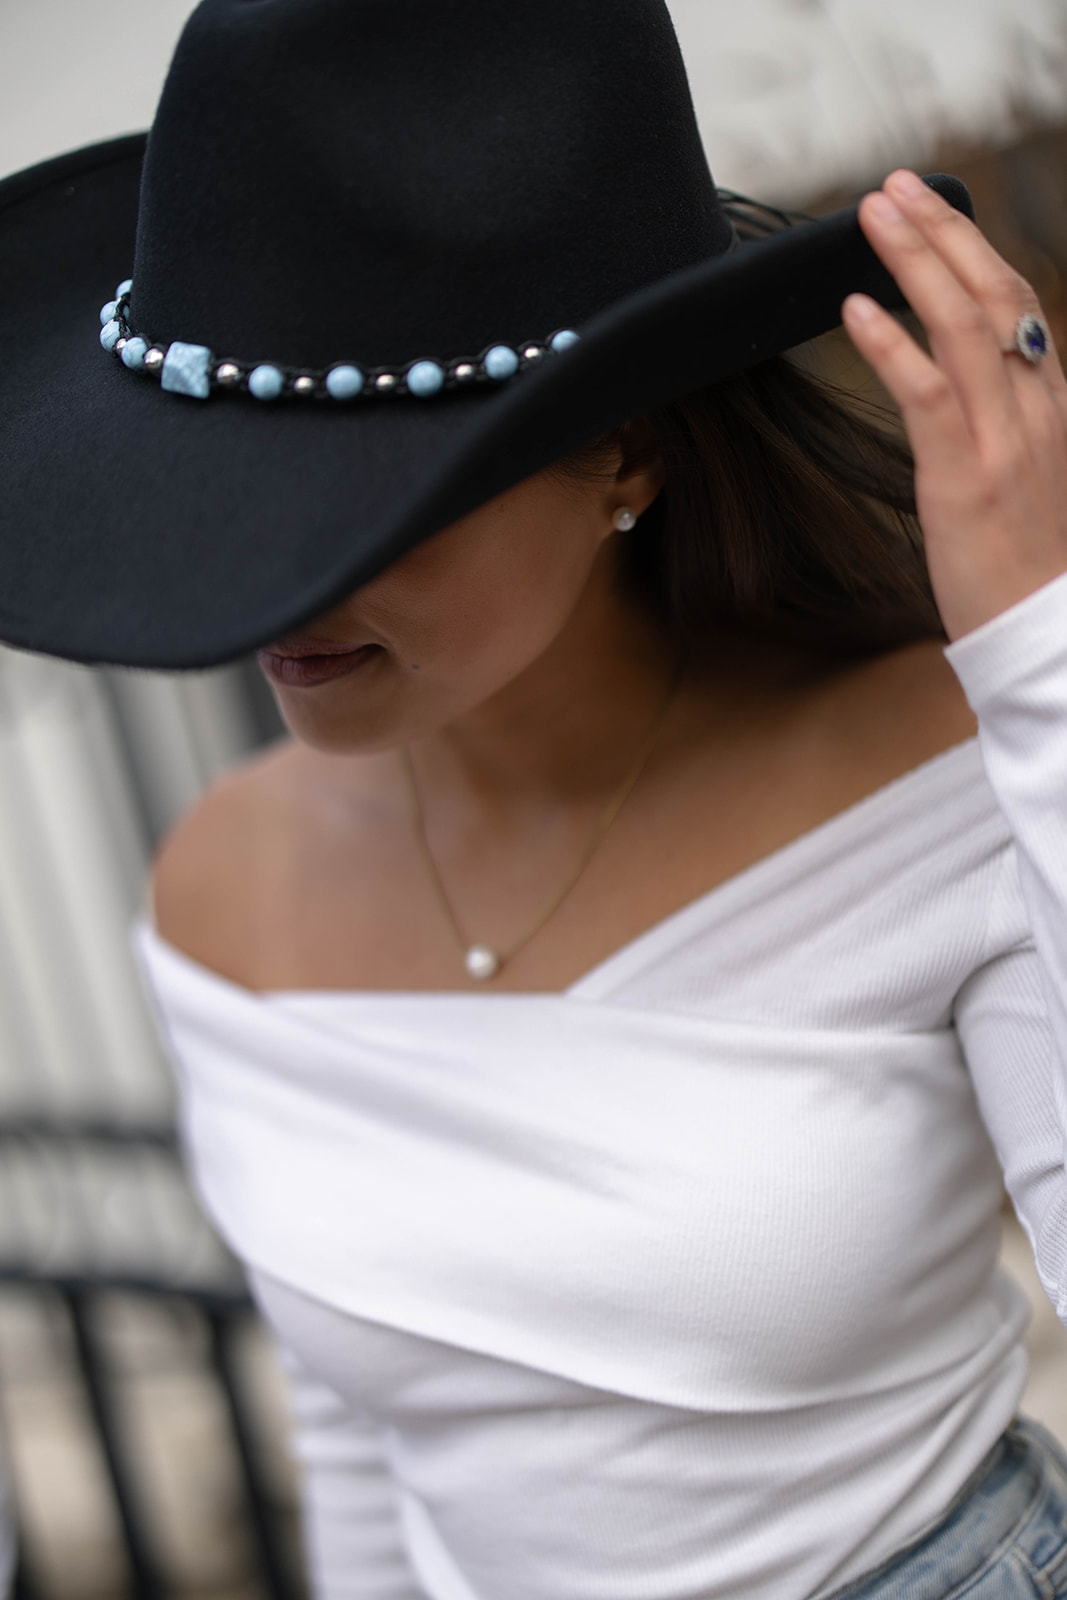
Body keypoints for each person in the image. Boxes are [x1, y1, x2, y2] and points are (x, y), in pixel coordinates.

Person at [2, 1, 1067, 1596]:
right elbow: (366, 1439)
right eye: (225, 481)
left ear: (625, 453)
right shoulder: (224, 889)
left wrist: (1042, 655)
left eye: (374, 495)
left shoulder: (944, 773)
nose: (284, 584)